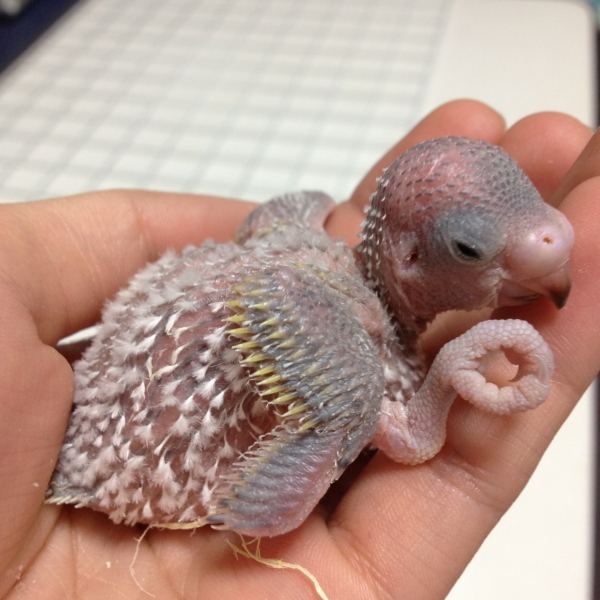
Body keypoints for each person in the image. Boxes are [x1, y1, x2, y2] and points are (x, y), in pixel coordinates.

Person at [0, 99, 596, 599]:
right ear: (409, 259)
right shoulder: (355, 347)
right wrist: (433, 391)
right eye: (469, 250)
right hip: (123, 474)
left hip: (81, 436)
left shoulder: (291, 236)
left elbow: (272, 232)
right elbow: (380, 447)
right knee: (352, 397)